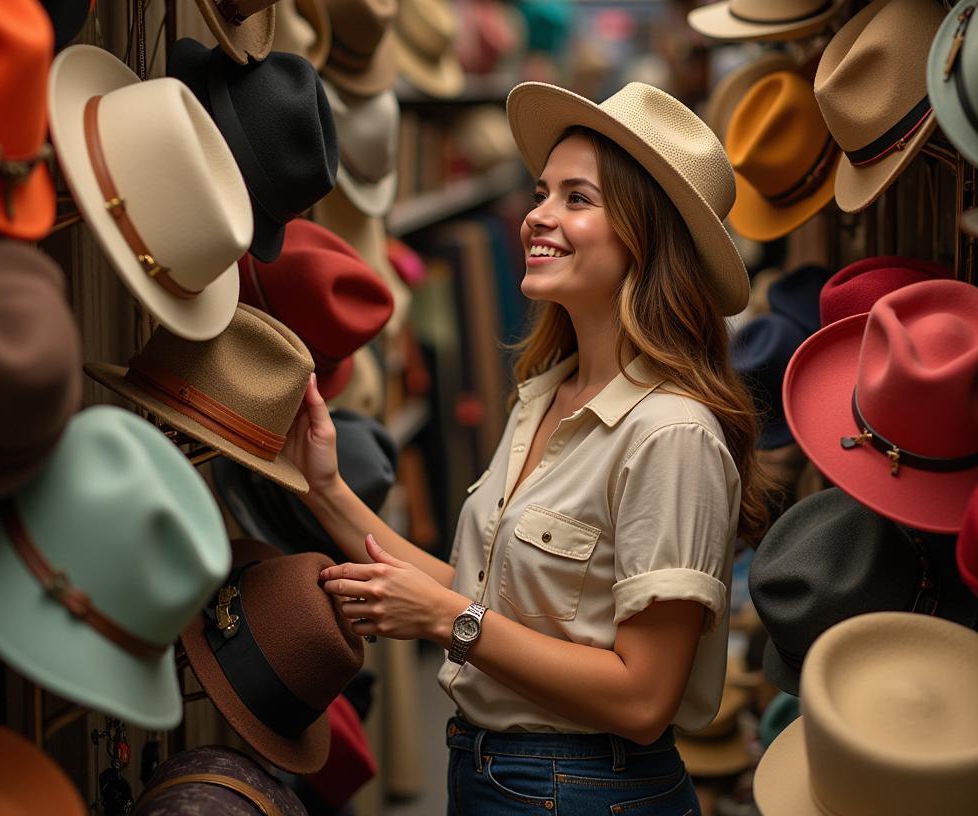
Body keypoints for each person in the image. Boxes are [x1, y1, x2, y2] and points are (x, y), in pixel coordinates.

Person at [285, 82, 778, 814]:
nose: (537, 216)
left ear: (647, 234)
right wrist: (324, 485)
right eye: (542, 192)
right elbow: (469, 587)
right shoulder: (546, 395)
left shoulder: (671, 433)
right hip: (495, 775)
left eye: (577, 199)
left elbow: (644, 697)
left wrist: (449, 622)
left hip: (587, 790)